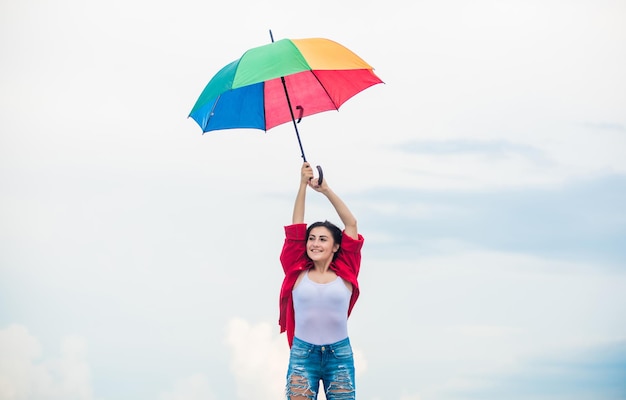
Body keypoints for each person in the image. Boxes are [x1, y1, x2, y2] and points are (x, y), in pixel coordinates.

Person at [279, 162, 364, 400]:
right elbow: (296, 228)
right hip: (303, 355)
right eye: (312, 239)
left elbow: (351, 224)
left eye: (323, 239)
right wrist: (302, 185)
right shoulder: (296, 271)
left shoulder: (346, 271)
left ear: (336, 246)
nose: (315, 243)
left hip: (339, 356)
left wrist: (325, 189)